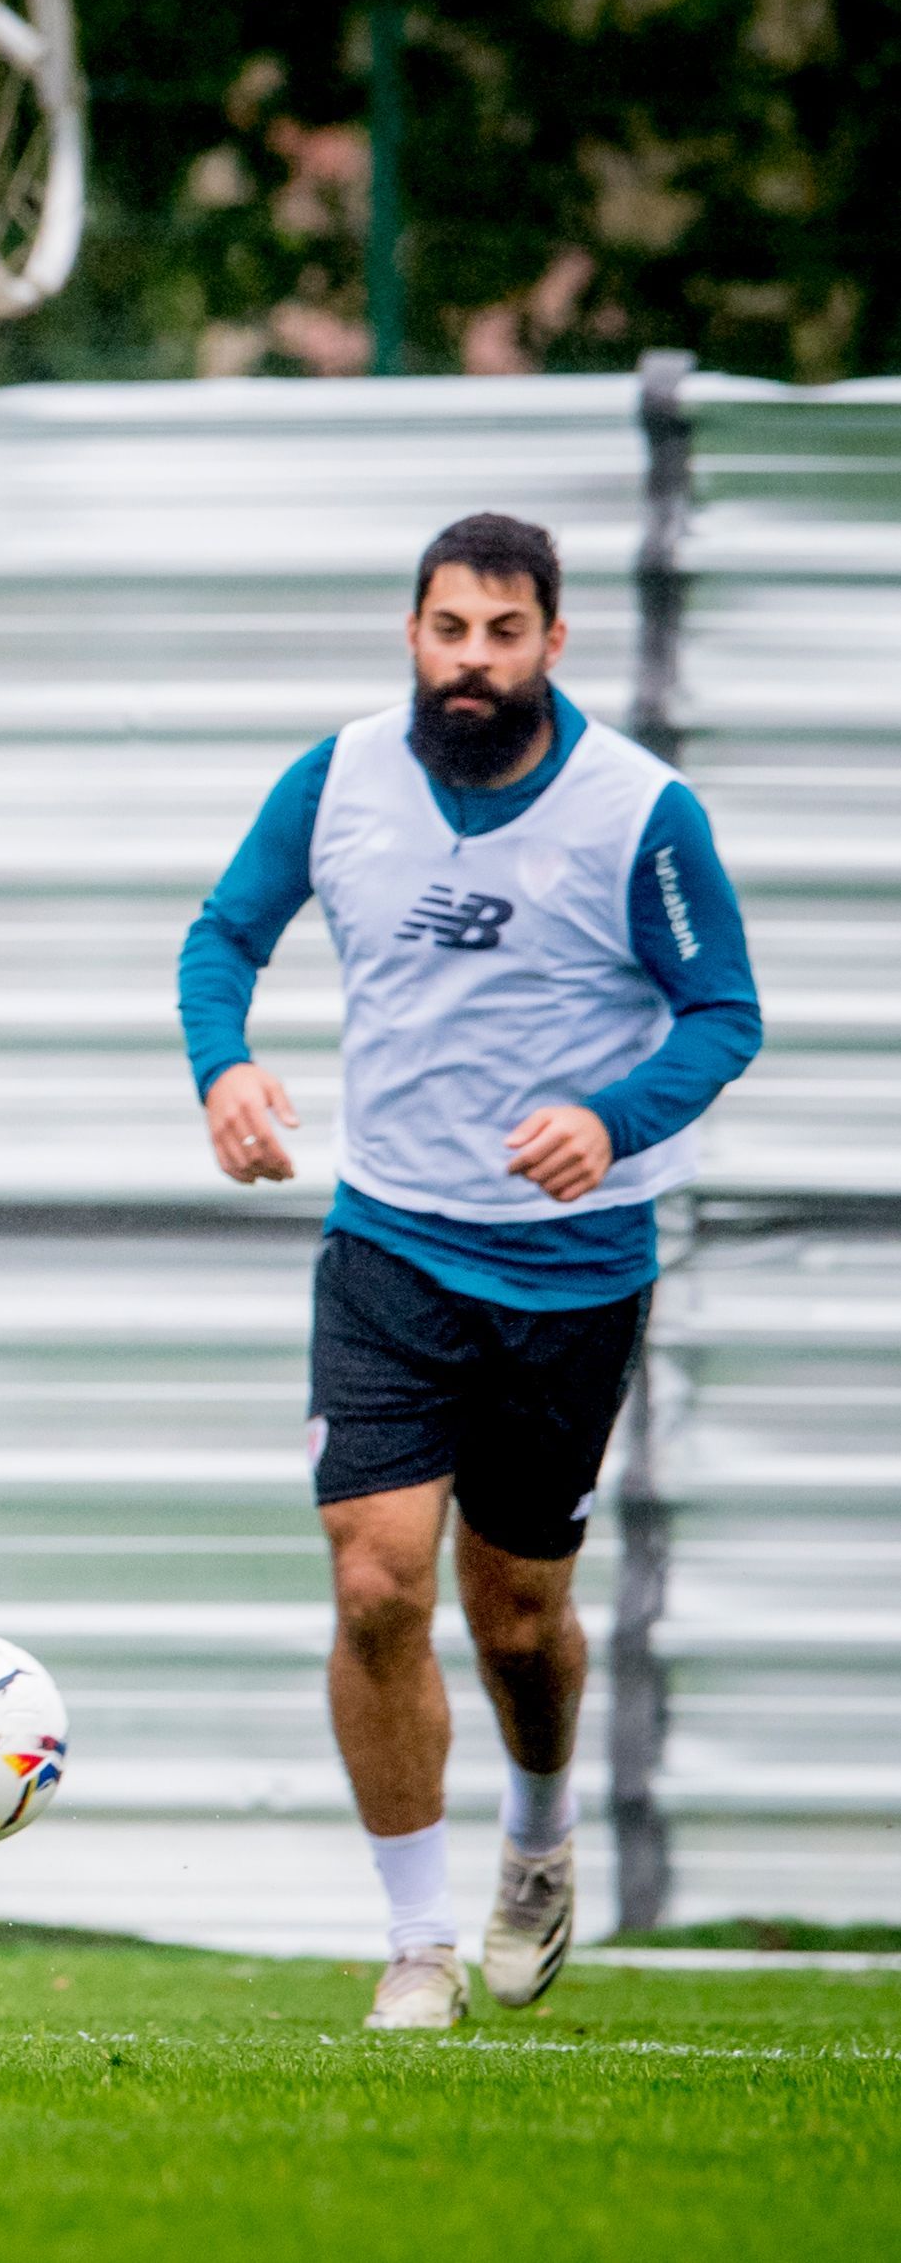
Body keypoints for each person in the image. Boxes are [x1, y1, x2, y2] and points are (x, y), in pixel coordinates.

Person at [180, 512, 760, 2031]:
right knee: (375, 1579)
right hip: (387, 1245)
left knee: (516, 1619)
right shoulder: (337, 778)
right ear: (413, 631)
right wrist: (221, 1067)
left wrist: (608, 1118)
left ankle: (538, 1836)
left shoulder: (641, 812)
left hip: (571, 1272)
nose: (472, 661)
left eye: (504, 634)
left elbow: (722, 1014)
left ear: (552, 644)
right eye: (449, 630)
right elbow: (221, 936)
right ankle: (415, 1940)